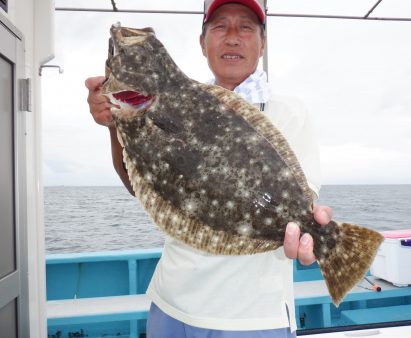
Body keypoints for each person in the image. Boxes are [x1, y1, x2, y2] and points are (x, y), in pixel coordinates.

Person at [85, 0, 332, 337]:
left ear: (263, 43)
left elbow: (304, 207)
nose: (232, 37)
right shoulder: (176, 102)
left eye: (245, 27)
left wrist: (311, 232)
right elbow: (140, 183)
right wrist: (117, 123)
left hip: (251, 319)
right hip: (170, 303)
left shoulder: (290, 112)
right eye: (220, 27)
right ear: (202, 43)